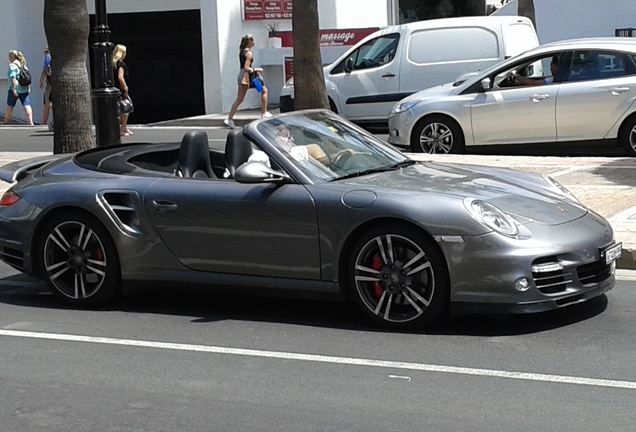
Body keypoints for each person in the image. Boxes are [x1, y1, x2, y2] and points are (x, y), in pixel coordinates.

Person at [225, 34, 272, 129]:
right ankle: (264, 113)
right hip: (249, 78)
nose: (254, 43)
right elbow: (246, 68)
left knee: (259, 92)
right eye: (252, 41)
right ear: (249, 42)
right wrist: (257, 70)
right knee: (262, 91)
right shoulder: (249, 54)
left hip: (247, 77)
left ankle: (230, 119)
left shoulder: (242, 52)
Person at [2, 50, 34, 126]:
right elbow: (28, 78)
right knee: (26, 105)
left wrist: (14, 89)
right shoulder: (23, 65)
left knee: (10, 105)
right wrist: (28, 88)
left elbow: (13, 78)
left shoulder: (12, 66)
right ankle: (30, 122)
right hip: (24, 89)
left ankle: (6, 122)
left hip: (15, 89)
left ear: (11, 57)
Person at [112, 44, 133, 137]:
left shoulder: (112, 64)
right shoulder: (121, 64)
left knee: (119, 109)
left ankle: (122, 128)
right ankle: (123, 127)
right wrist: (125, 88)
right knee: (126, 107)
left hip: (114, 89)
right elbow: (120, 77)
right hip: (121, 89)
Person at [39, 47, 53, 130]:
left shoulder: (48, 57)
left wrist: (41, 80)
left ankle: (55, 118)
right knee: (45, 102)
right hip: (53, 82)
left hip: (50, 83)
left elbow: (45, 70)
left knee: (48, 101)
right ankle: (43, 122)